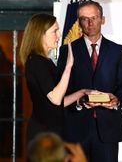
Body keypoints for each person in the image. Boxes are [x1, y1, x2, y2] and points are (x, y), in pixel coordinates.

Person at [57, 0, 122, 162]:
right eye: (85, 19)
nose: (90, 23)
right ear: (78, 22)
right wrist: (79, 102)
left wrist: (116, 99)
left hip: (108, 128)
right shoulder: (67, 51)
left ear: (102, 19)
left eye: (94, 17)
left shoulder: (118, 51)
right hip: (76, 129)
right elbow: (62, 89)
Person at [20, 13, 90, 144]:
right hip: (44, 135)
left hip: (52, 131)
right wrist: (68, 66)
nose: (59, 35)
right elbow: (56, 99)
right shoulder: (36, 61)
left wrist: (83, 92)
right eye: (55, 31)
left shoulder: (44, 61)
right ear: (40, 34)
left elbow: (58, 103)